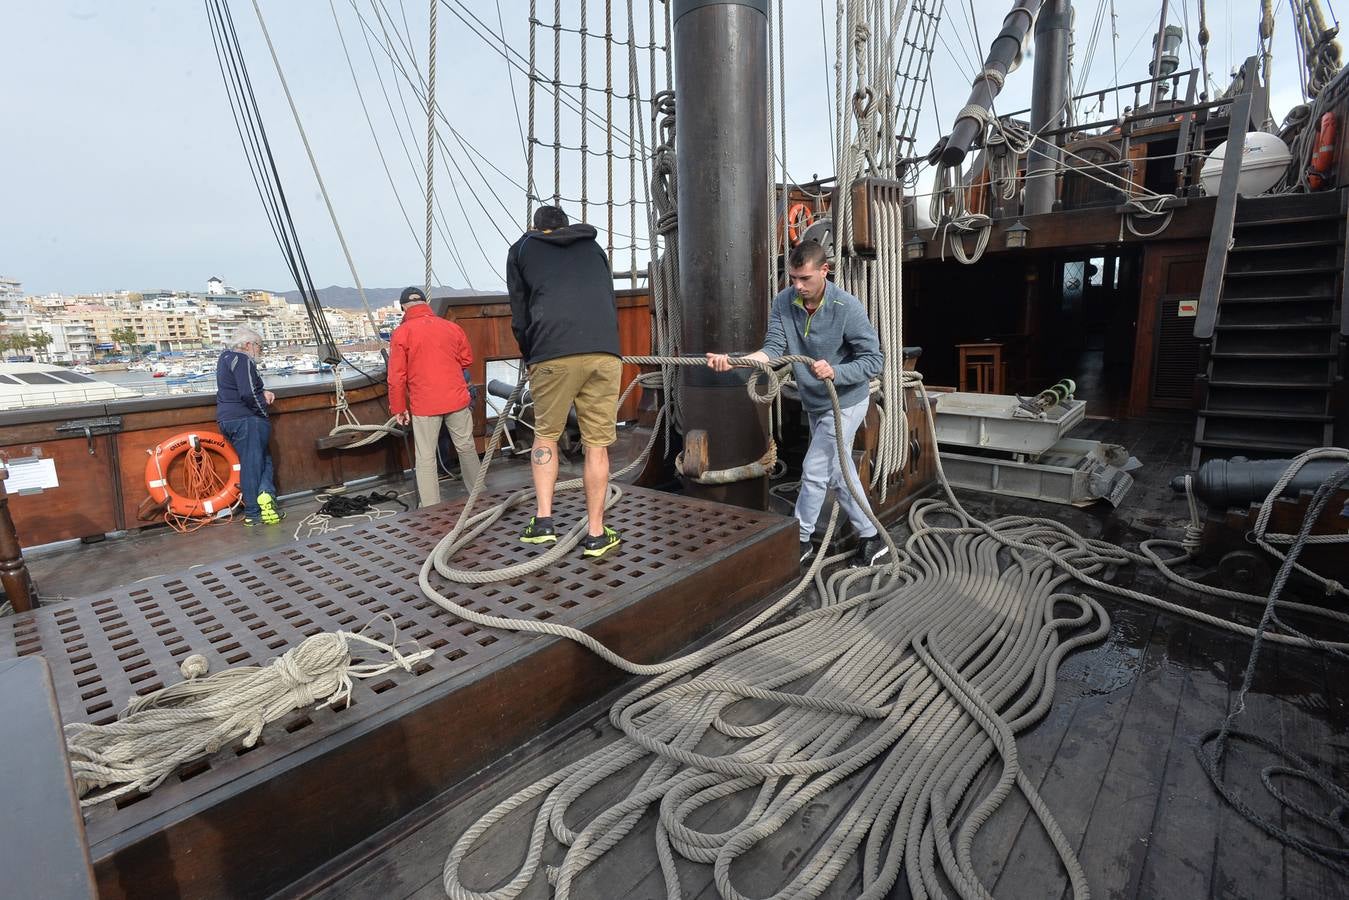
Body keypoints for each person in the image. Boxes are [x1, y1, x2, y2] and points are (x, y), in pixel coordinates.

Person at [706, 239, 888, 567]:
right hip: (816, 403)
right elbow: (774, 348)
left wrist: (837, 370)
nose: (797, 286)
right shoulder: (784, 302)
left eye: (805, 279)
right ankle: (872, 536)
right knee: (837, 472)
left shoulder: (847, 308)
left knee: (816, 469)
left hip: (845, 401)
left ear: (824, 271)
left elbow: (875, 360)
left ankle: (799, 540)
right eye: (792, 278)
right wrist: (737, 362)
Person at [506, 205, 623, 558]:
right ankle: (597, 535)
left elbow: (520, 312)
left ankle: (543, 523)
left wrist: (531, 355)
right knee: (597, 445)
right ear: (566, 227)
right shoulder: (593, 247)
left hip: (552, 353)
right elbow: (608, 298)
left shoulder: (523, 248)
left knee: (546, 435)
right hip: (605, 352)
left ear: (536, 228)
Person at [388, 286, 483, 508]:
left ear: (404, 307)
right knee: (466, 447)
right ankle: (479, 493)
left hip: (425, 404)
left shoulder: (401, 333)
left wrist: (399, 408)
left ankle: (431, 507)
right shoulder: (451, 327)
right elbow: (466, 359)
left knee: (426, 458)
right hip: (456, 399)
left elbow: (396, 377)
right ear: (425, 303)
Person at [216, 327, 283, 526]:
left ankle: (266, 503)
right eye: (259, 347)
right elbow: (247, 393)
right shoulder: (244, 360)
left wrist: (263, 391)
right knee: (253, 465)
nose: (260, 351)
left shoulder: (224, 358)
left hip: (227, 419)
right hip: (247, 419)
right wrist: (262, 412)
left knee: (262, 461)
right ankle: (253, 513)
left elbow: (236, 387)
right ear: (248, 345)